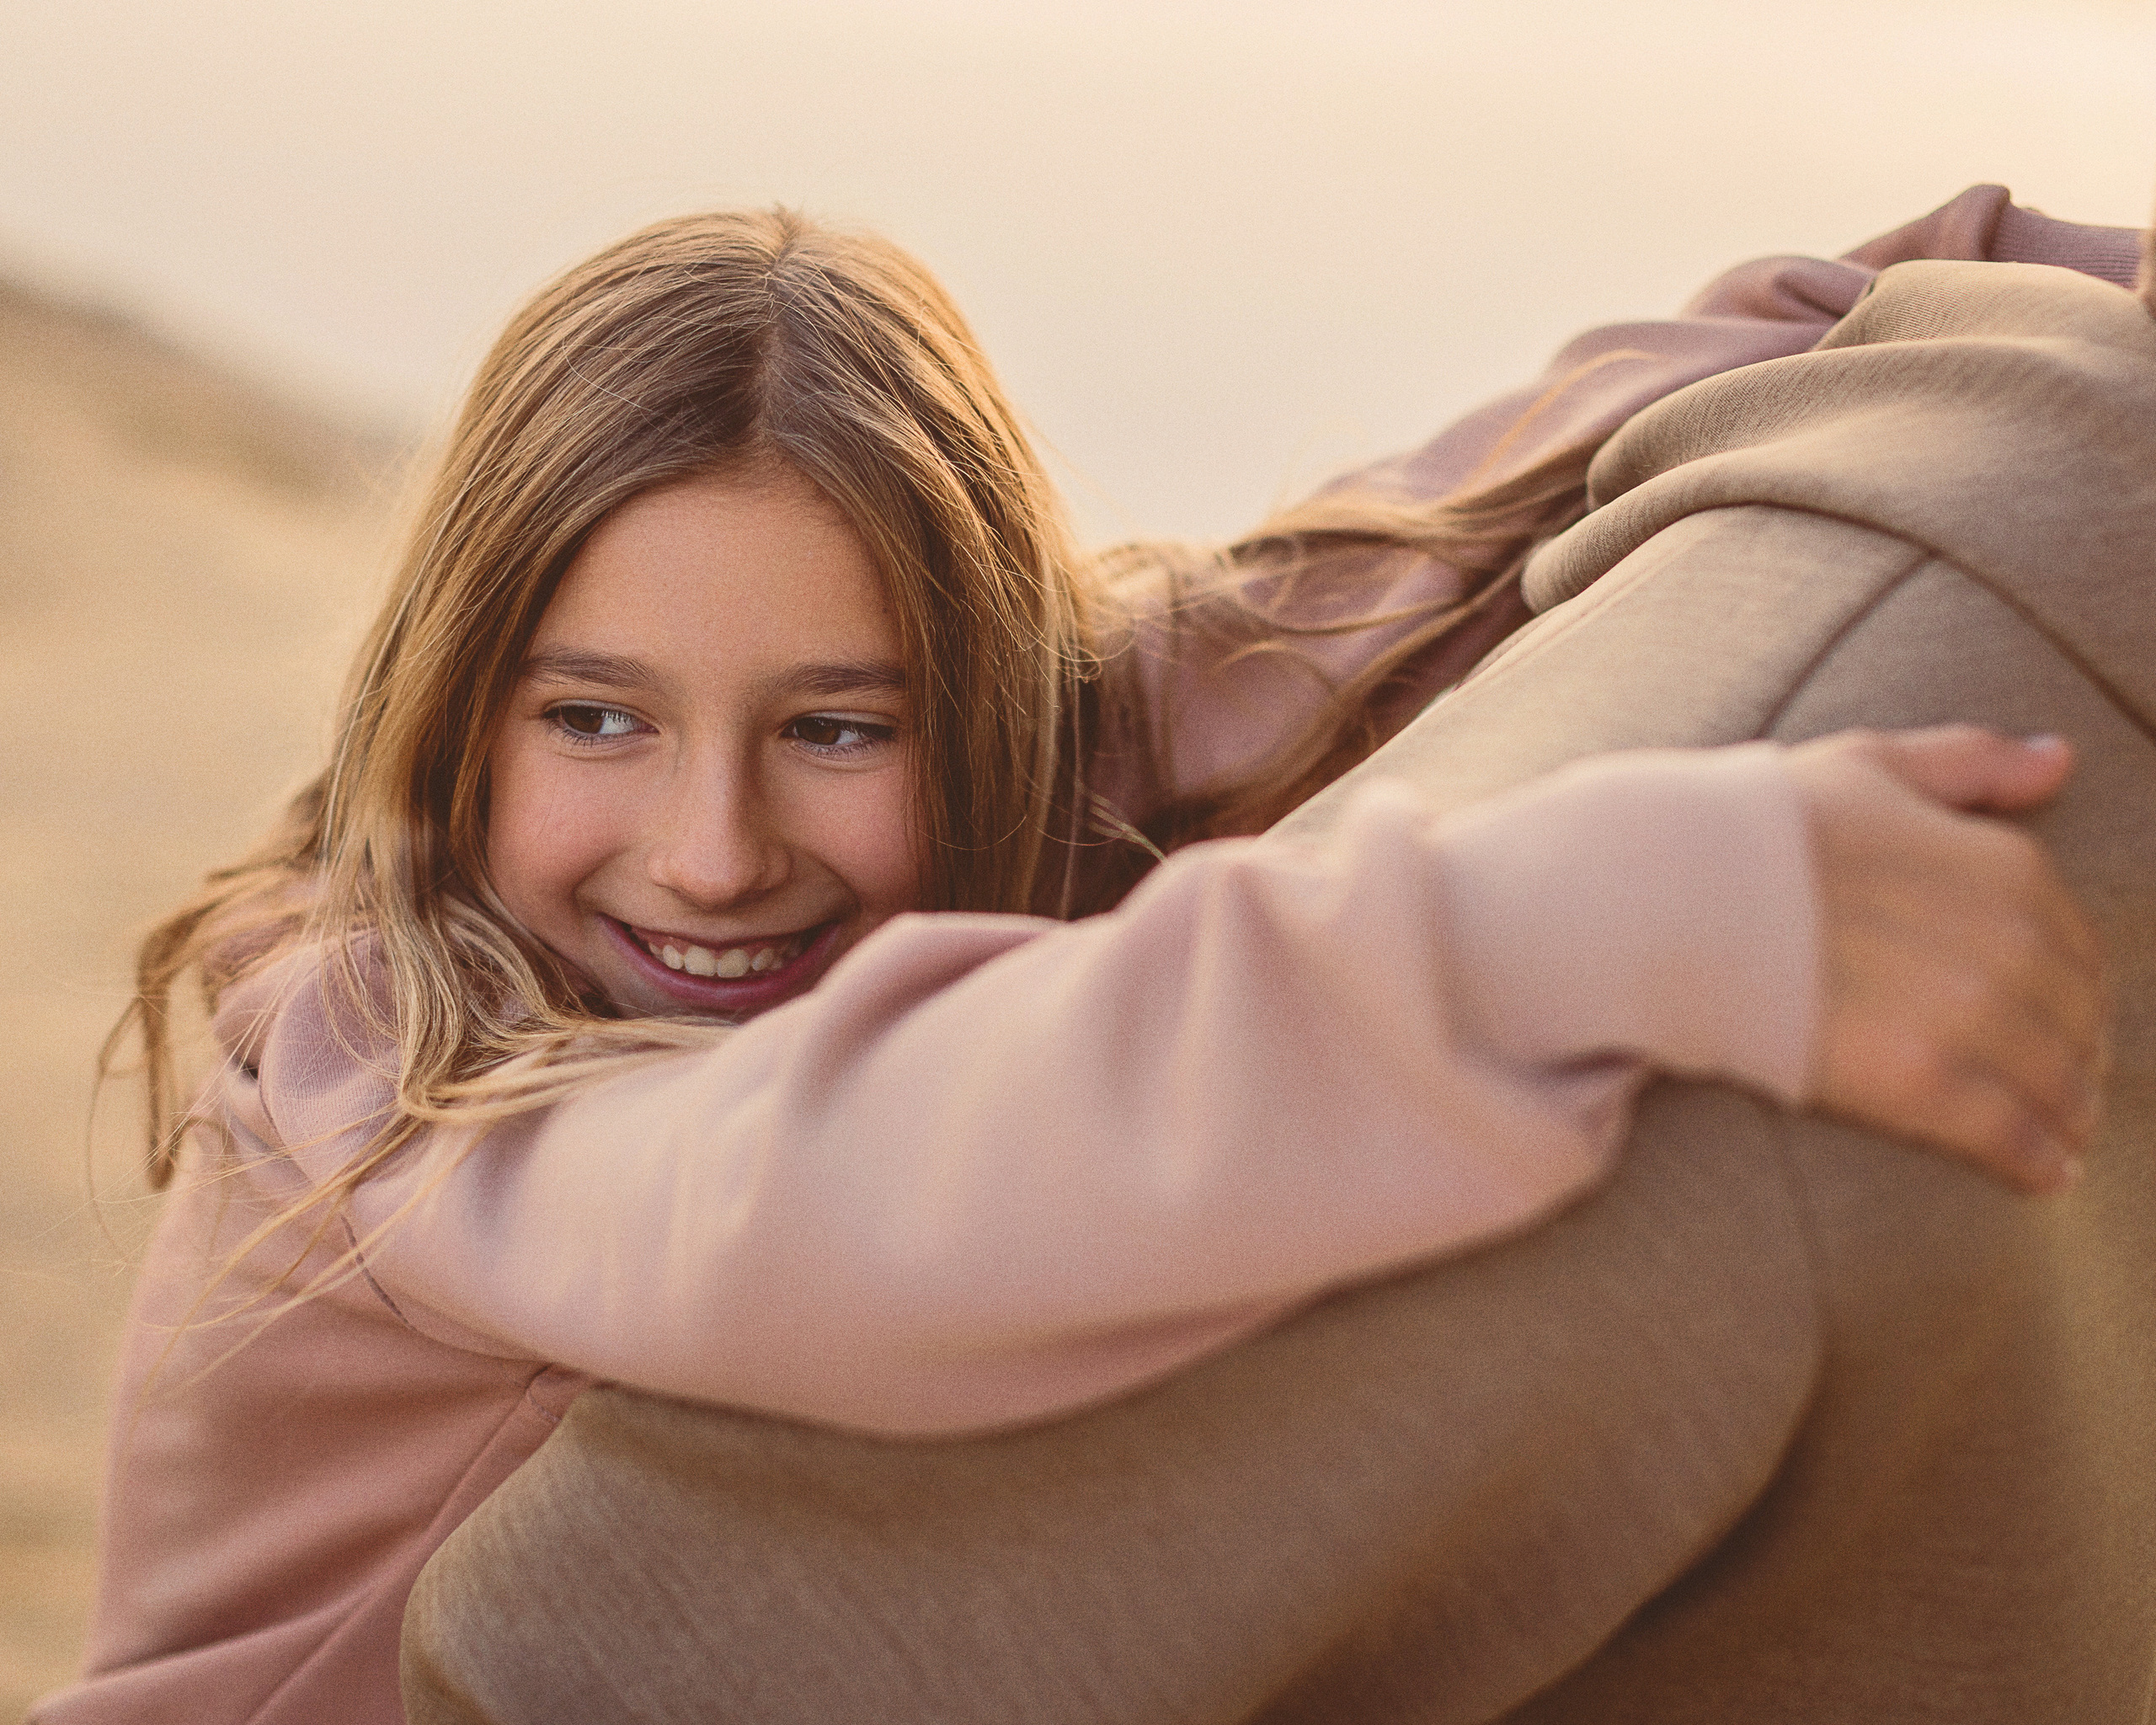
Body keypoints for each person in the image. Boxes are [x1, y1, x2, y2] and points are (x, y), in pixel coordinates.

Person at [37, 193, 2111, 1725]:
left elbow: (1394, 545)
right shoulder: (371, 1051)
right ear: (453, 695)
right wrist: (1561, 930)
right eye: (595, 718)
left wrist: (1991, 263)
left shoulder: (1024, 739)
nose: (713, 847)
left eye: (838, 727)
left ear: (975, 699)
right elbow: (795, 1183)